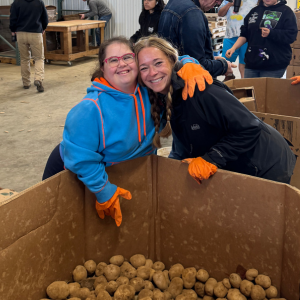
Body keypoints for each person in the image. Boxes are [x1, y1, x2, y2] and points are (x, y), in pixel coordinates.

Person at [42, 36, 213, 226]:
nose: (121, 64)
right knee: (65, 228)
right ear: (103, 67)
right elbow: (81, 158)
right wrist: (103, 189)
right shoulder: (90, 109)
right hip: (77, 172)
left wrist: (188, 64)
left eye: (127, 57)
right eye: (113, 60)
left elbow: (166, 58)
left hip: (122, 171)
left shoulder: (150, 89)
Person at [134, 36, 296, 184]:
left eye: (158, 63)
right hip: (237, 162)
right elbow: (184, 139)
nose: (153, 72)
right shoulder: (163, 96)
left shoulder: (200, 89)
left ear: (171, 61)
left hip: (266, 163)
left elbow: (250, 127)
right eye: (144, 68)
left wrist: (211, 158)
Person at [158, 0, 234, 79]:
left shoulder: (173, 4)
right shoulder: (192, 13)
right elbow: (196, 65)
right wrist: (223, 66)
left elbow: (181, 54)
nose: (218, 3)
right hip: (187, 84)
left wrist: (212, 58)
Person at [226, 0, 297, 78]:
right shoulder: (254, 11)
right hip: (252, 62)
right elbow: (244, 34)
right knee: (250, 89)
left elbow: (291, 35)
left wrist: (271, 33)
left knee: (266, 90)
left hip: (274, 64)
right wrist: (233, 48)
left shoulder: (286, 12)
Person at [9, 0, 48, 92]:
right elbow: (45, 19)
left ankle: (26, 83)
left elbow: (12, 18)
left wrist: (13, 30)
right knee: (38, 58)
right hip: (35, 33)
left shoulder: (16, 2)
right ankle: (38, 78)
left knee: (24, 59)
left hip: (20, 33)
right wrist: (43, 28)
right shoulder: (39, 2)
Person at [218, 0, 257, 79]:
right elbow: (220, 13)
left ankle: (244, 84)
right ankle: (228, 81)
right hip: (230, 36)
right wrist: (229, 4)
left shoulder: (256, 1)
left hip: (247, 37)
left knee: (244, 63)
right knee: (226, 62)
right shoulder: (228, 0)